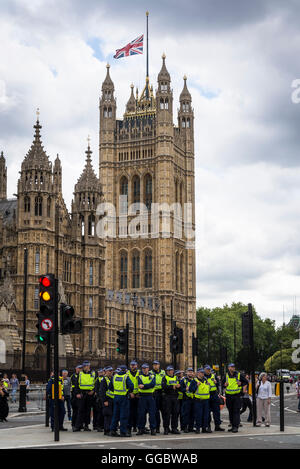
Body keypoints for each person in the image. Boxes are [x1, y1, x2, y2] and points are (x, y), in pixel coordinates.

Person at [222, 363, 248, 433]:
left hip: (236, 396)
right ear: (228, 368)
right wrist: (224, 385)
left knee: (236, 411)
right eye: (231, 367)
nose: (233, 368)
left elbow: (245, 382)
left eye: (233, 367)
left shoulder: (239, 375)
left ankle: (236, 427)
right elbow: (222, 384)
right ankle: (232, 426)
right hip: (229, 396)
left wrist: (241, 385)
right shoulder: (226, 375)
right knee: (230, 411)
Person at [109, 364, 133, 437]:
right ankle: (123, 432)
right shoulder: (126, 377)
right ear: (125, 370)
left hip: (116, 397)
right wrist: (128, 391)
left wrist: (116, 391)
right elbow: (131, 386)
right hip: (123, 398)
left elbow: (110, 387)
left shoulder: (114, 376)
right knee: (124, 415)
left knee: (115, 415)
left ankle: (112, 430)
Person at [72, 360, 96, 432]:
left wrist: (93, 390)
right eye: (84, 366)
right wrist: (77, 393)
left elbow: (96, 383)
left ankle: (86, 425)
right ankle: (78, 426)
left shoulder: (93, 373)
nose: (85, 367)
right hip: (82, 393)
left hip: (90, 394)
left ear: (89, 366)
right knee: (80, 410)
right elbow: (76, 384)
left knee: (88, 410)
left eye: (86, 366)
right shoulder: (80, 373)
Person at [136, 363, 157, 436]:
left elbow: (152, 384)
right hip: (142, 397)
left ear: (148, 369)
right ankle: (140, 429)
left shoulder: (152, 376)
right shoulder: (140, 376)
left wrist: (144, 386)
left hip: (150, 396)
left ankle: (153, 429)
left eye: (146, 368)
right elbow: (139, 385)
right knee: (141, 414)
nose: (144, 370)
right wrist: (147, 386)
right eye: (143, 368)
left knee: (152, 414)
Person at [189, 368, 211, 433]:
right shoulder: (194, 381)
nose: (202, 374)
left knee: (206, 415)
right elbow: (191, 390)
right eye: (201, 373)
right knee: (198, 415)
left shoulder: (206, 380)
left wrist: (209, 385)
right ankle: (198, 428)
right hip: (198, 400)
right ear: (198, 373)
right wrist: (196, 385)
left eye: (203, 373)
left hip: (206, 400)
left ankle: (204, 428)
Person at [204, 365, 224, 431]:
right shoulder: (203, 377)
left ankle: (217, 426)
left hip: (214, 395)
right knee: (207, 412)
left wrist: (216, 382)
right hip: (207, 395)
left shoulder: (213, 376)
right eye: (207, 369)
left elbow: (218, 384)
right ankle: (208, 426)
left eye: (209, 369)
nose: (209, 370)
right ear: (204, 370)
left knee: (217, 411)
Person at [161, 365, 181, 435]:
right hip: (167, 397)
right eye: (168, 371)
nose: (169, 372)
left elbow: (179, 386)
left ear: (173, 371)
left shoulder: (176, 378)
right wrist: (172, 387)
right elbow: (163, 387)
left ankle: (174, 428)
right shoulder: (164, 378)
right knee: (167, 414)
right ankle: (166, 428)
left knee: (175, 413)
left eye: (171, 370)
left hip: (175, 397)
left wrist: (178, 386)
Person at [150, 360, 165, 433]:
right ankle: (157, 427)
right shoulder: (150, 373)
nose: (155, 366)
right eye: (154, 365)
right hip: (154, 393)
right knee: (155, 411)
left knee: (164, 411)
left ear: (159, 365)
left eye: (157, 364)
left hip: (162, 393)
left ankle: (165, 427)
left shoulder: (163, 372)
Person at [99, 366, 114, 435]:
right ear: (105, 372)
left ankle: (111, 429)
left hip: (113, 399)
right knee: (108, 415)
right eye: (109, 371)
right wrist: (104, 400)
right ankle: (107, 430)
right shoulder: (104, 380)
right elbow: (102, 392)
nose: (110, 372)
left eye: (111, 371)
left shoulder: (113, 378)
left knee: (112, 415)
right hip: (107, 400)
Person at [180, 367, 195, 433]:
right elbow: (180, 389)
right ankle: (185, 427)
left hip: (193, 399)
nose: (190, 373)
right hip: (186, 399)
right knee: (186, 414)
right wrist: (185, 389)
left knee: (192, 414)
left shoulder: (195, 380)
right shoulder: (183, 380)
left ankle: (191, 427)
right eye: (189, 372)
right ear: (186, 373)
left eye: (191, 372)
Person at [127, 360, 140, 433]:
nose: (133, 366)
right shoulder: (127, 373)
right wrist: (130, 393)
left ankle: (135, 426)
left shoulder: (139, 373)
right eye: (132, 365)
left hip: (138, 395)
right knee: (130, 412)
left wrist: (138, 393)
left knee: (137, 412)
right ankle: (129, 427)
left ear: (136, 365)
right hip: (130, 395)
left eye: (134, 365)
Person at [70, 364, 82, 430]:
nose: (79, 370)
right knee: (75, 411)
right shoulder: (73, 376)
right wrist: (76, 394)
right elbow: (73, 387)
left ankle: (79, 425)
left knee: (79, 411)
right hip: (75, 396)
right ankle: (74, 425)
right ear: (76, 369)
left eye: (80, 368)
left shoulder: (81, 375)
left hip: (80, 396)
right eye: (78, 368)